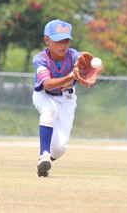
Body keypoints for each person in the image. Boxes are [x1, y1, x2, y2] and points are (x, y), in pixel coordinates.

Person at [32, 19, 98, 177]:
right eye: (58, 40)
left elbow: (90, 66)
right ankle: (44, 155)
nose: (63, 45)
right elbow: (47, 85)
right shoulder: (40, 58)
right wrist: (71, 77)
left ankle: (45, 164)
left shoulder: (75, 56)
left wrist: (91, 70)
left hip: (67, 99)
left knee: (60, 148)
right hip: (44, 95)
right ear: (47, 40)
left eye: (66, 40)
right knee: (49, 111)